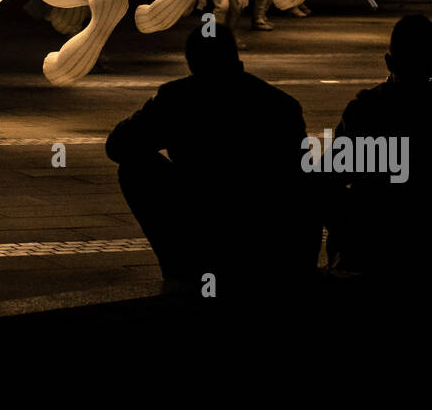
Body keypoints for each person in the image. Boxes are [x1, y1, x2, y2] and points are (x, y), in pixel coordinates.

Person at [106, 24, 318, 298]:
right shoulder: (280, 103)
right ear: (236, 58)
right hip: (270, 233)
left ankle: (179, 267)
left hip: (202, 219)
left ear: (192, 63)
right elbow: (304, 183)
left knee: (135, 168)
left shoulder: (179, 98)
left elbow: (119, 146)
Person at [325, 14, 432, 288]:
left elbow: (330, 182)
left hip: (372, 251)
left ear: (389, 62)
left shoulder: (366, 111)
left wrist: (346, 230)